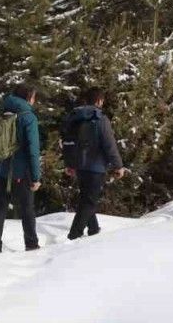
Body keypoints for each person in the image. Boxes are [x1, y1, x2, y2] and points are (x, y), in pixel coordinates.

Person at [64, 88, 128, 240]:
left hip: (79, 164)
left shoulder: (75, 117)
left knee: (86, 198)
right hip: (95, 166)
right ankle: (74, 235)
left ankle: (93, 229)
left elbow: (67, 140)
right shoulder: (100, 119)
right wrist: (118, 166)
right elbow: (109, 144)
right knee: (89, 201)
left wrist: (69, 163)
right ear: (99, 101)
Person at [0, 84, 42, 255]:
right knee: (27, 209)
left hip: (0, 170)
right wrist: (35, 177)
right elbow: (33, 150)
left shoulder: (2, 112)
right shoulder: (28, 117)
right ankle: (31, 244)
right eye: (33, 97)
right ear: (28, 97)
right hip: (21, 172)